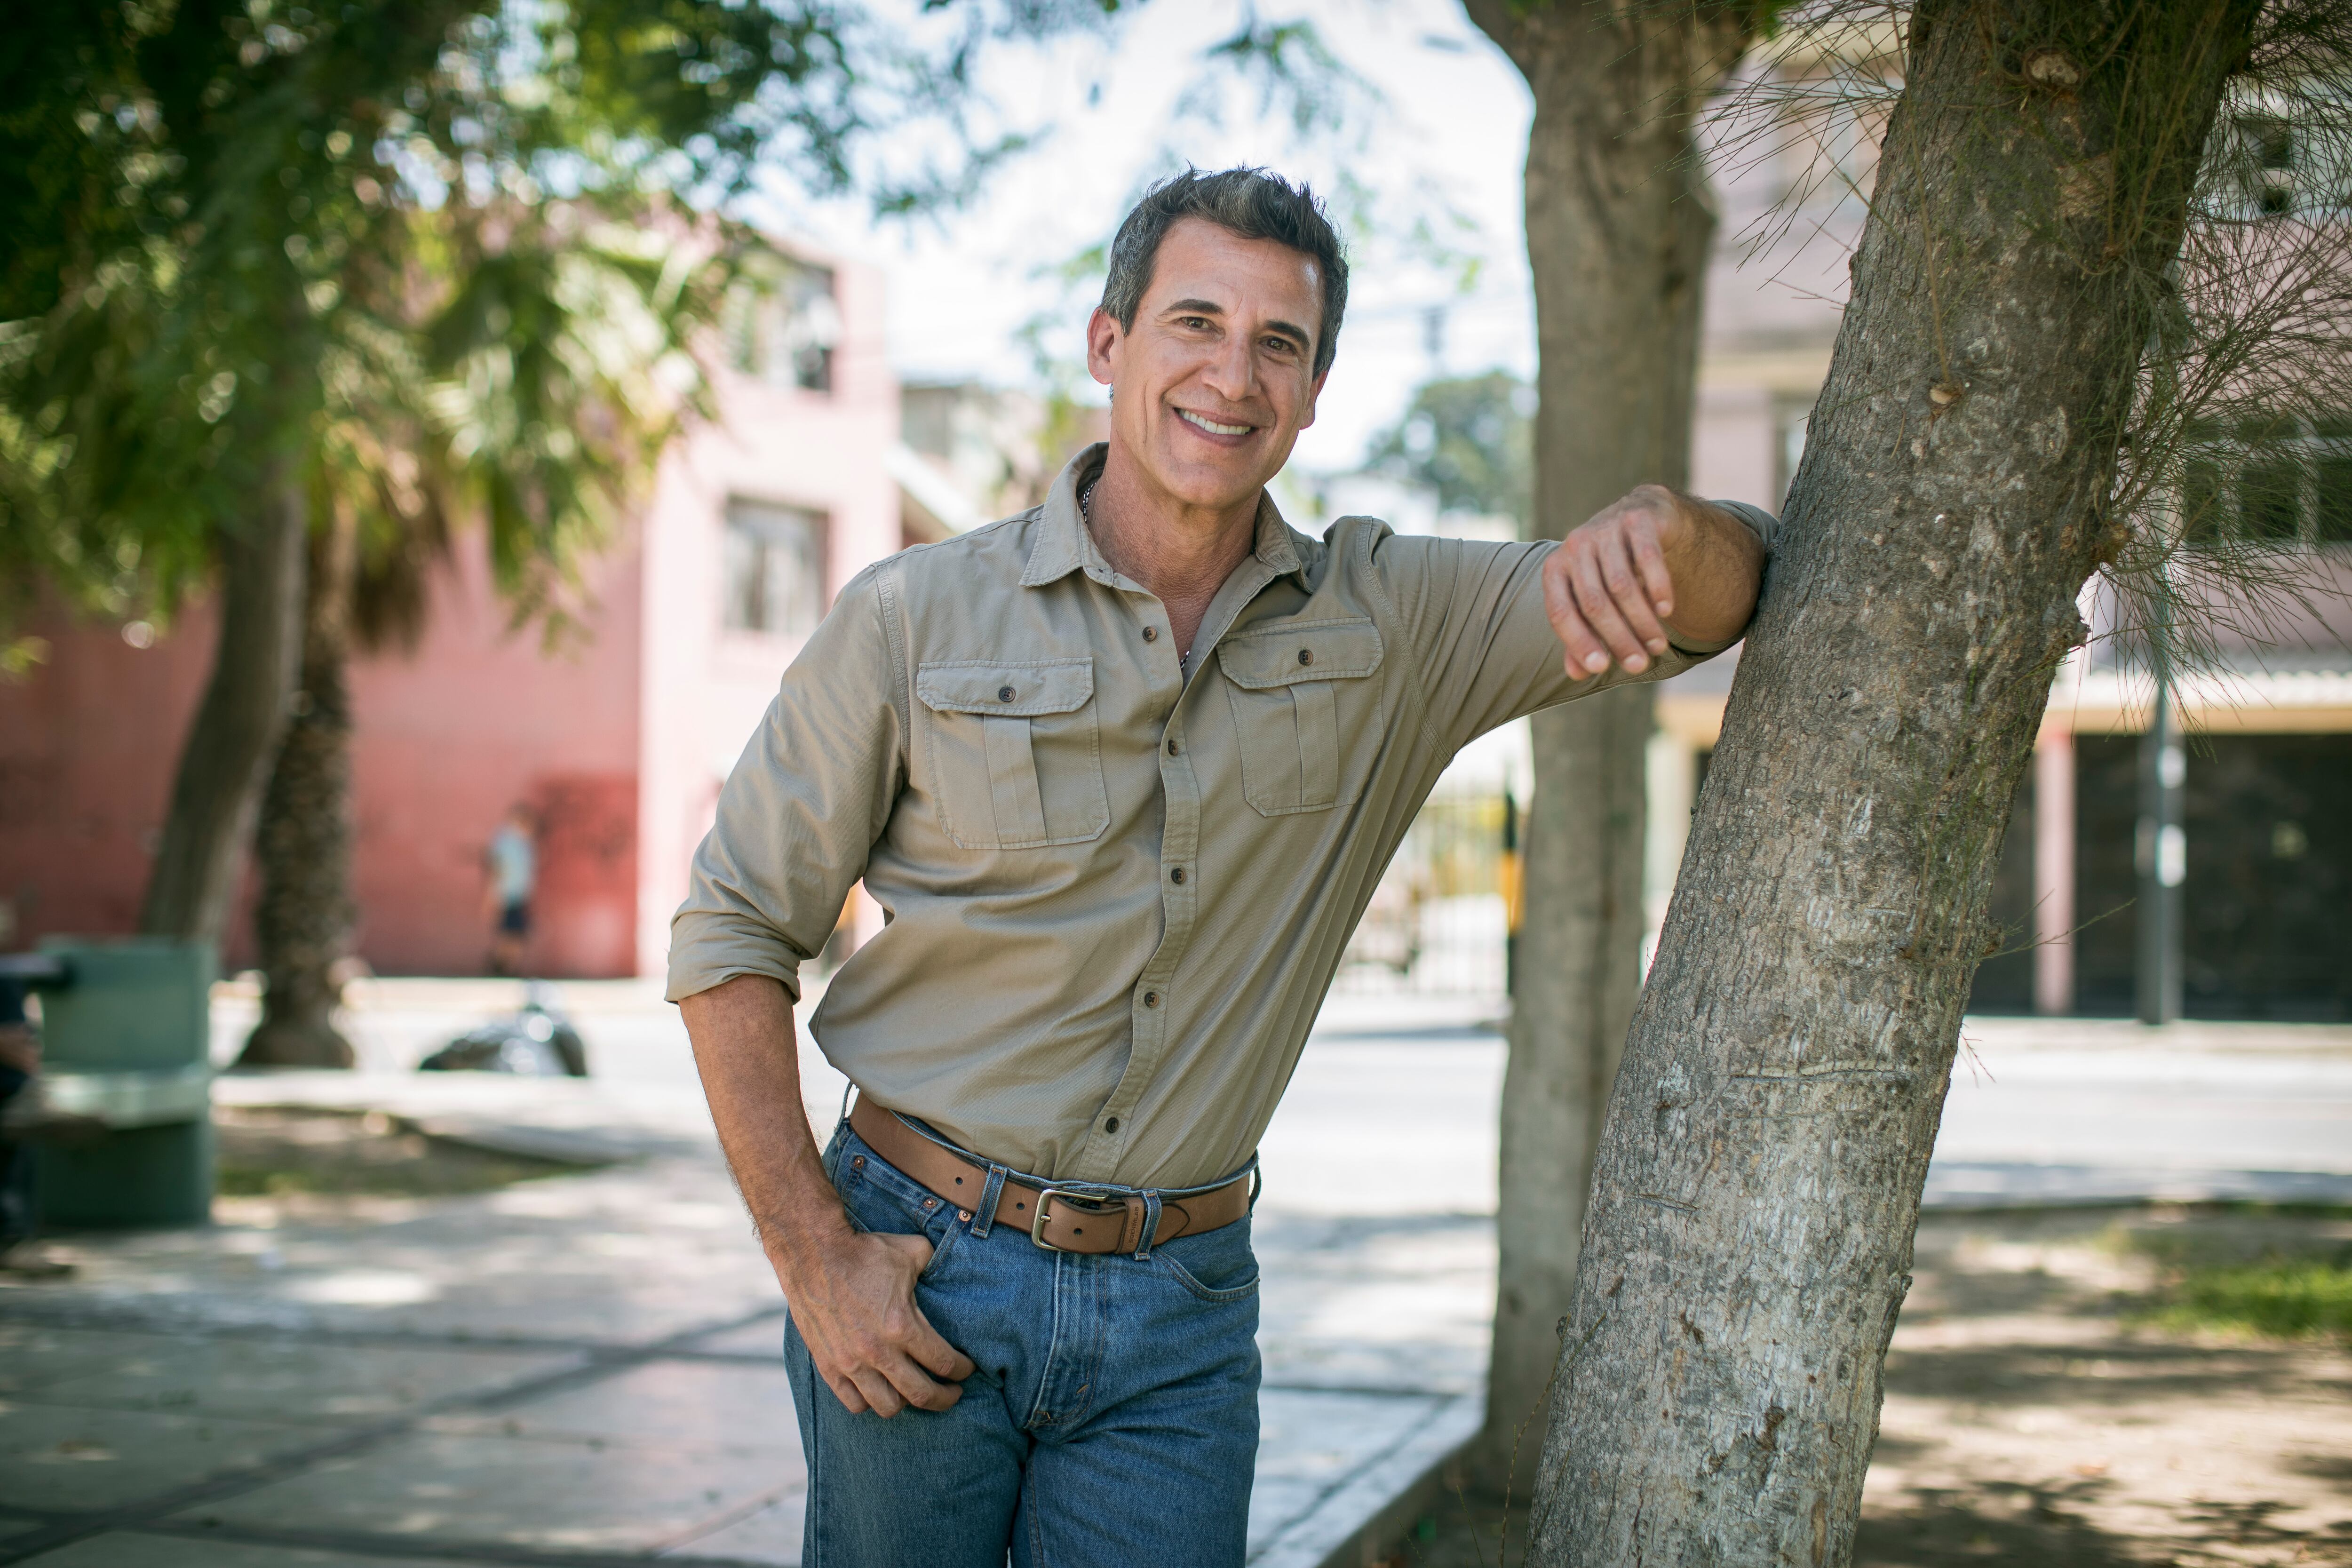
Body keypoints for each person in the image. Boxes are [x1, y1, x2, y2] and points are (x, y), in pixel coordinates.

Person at [670, 167, 1773, 1567]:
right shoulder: (911, 616)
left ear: (1313, 394)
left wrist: (1662, 532)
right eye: (1194, 322)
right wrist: (814, 1259)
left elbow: (1719, 594)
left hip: (1180, 1316)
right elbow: (730, 929)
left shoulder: (1398, 622)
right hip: (916, 1267)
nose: (1232, 375)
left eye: (1278, 343)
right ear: (1108, 343)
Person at [483, 803, 537, 977]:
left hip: (521, 897)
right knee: (509, 934)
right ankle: (500, 969)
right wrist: (492, 896)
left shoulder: (525, 844)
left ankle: (507, 969)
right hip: (507, 896)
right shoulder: (505, 843)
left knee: (517, 935)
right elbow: (496, 871)